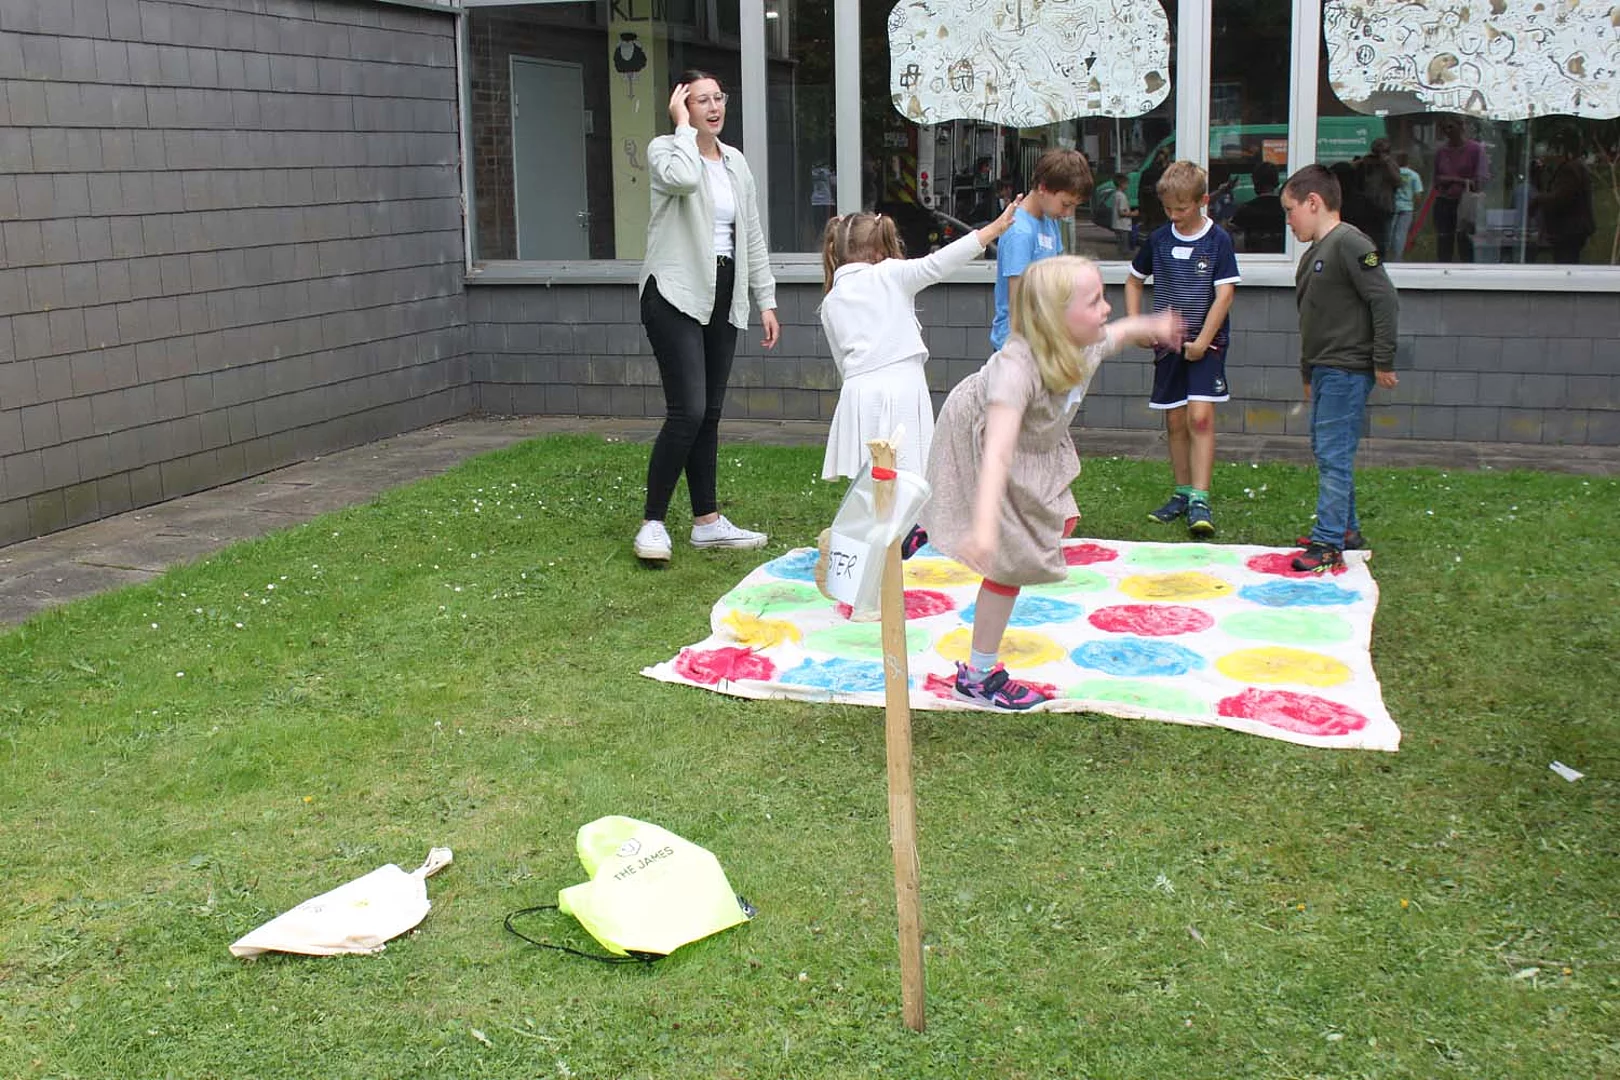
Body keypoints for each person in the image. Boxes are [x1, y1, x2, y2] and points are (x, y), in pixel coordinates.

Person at [920, 256, 1182, 709]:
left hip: (1034, 441)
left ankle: (927, 526)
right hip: (984, 438)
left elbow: (1120, 333)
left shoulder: (1083, 341)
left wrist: (1152, 324)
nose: (1106, 309)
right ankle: (978, 677)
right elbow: (997, 453)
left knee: (1036, 536)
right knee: (1010, 560)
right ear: (1055, 318)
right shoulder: (1016, 369)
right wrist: (984, 529)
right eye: (1094, 301)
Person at [634, 71, 781, 565]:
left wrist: (765, 298)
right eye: (701, 100)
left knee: (710, 413)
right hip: (674, 291)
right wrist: (680, 128)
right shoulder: (666, 151)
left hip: (724, 290)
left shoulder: (736, 161)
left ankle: (707, 522)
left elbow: (751, 233)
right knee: (688, 411)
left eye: (719, 98)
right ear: (682, 105)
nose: (714, 107)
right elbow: (683, 179)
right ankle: (653, 522)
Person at [819, 196, 1024, 482]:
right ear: (878, 249)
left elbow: (842, 361)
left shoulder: (831, 301)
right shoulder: (890, 273)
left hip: (858, 394)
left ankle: (875, 512)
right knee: (909, 478)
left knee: (869, 483)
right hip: (902, 387)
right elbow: (938, 263)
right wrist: (994, 229)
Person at [1280, 164, 1399, 574]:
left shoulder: (1351, 243)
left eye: (1291, 210)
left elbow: (1384, 300)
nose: (1289, 221)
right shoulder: (1315, 253)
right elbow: (1313, 320)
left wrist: (1383, 360)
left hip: (1347, 369)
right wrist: (1307, 373)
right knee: (1326, 448)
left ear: (1314, 202)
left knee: (1334, 454)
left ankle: (1328, 542)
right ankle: (1347, 531)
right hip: (1325, 369)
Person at [1126, 160, 1240, 538]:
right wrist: (1138, 324)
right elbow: (1133, 280)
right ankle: (1182, 492)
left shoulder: (1218, 240)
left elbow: (1225, 294)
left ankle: (1201, 499)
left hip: (1208, 344)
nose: (1174, 216)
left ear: (1203, 201)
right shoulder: (1160, 239)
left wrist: (1204, 340)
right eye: (1168, 209)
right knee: (1175, 420)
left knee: (1200, 418)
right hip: (1168, 345)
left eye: (1182, 208)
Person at [990, 148, 1092, 350]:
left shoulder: (1049, 220)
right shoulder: (1019, 231)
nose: (1068, 213)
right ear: (1043, 187)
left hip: (1044, 337)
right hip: (1018, 346)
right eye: (1066, 204)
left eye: (1074, 206)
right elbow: (1018, 305)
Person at [1432, 116, 1489, 263]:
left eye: (1451, 127)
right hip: (1445, 202)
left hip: (1466, 203)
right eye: (1444, 128)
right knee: (1444, 243)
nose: (1447, 131)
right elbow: (1436, 180)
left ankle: (1468, 271)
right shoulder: (1441, 151)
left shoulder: (1475, 149)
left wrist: (1455, 180)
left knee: (1466, 242)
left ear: (1461, 126)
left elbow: (1481, 180)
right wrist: (1455, 180)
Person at [1532, 133, 1595, 263]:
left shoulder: (1570, 169)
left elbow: (1560, 197)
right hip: (1572, 230)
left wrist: (1538, 200)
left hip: (1569, 230)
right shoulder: (1576, 167)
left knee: (1565, 262)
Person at [1228, 160, 1285, 253]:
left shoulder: (1245, 210)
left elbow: (1231, 231)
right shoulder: (1285, 210)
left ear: (1255, 182)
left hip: (1251, 258)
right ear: (1277, 182)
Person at [1387, 152, 1424, 260]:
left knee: (1389, 232)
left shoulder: (1391, 174)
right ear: (1408, 162)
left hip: (1392, 206)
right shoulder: (1414, 175)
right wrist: (1416, 208)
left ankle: (1385, 256)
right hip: (1407, 208)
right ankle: (1397, 258)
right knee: (1401, 234)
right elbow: (1418, 195)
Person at [1108, 173, 1137, 257]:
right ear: (1122, 184)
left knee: (1121, 246)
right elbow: (1122, 212)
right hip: (1123, 225)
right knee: (1124, 248)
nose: (1127, 186)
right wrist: (1133, 214)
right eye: (1127, 183)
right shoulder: (1122, 196)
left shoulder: (1115, 194)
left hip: (1117, 225)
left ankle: (1120, 257)